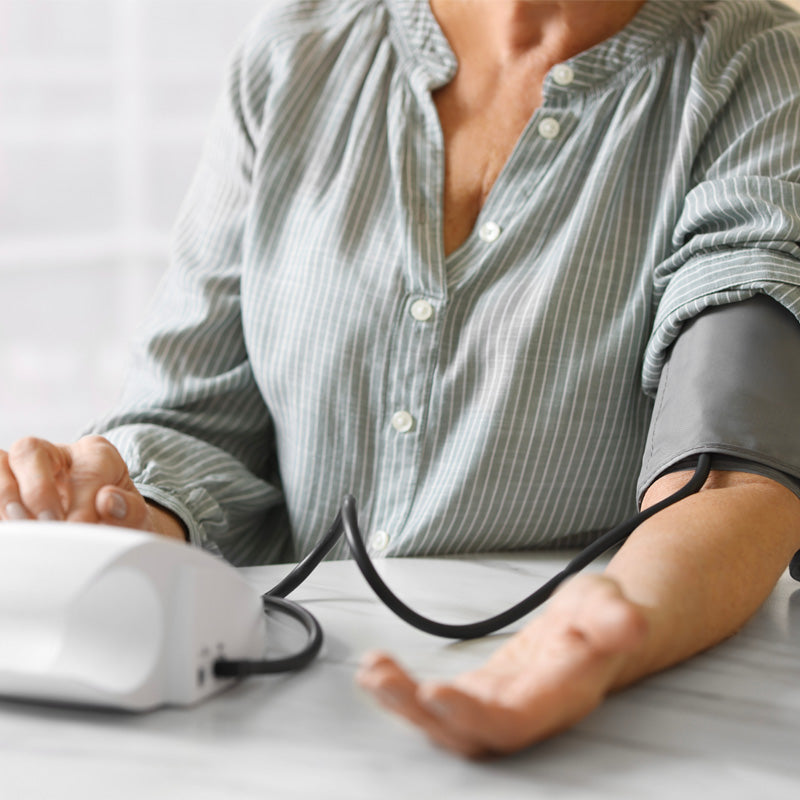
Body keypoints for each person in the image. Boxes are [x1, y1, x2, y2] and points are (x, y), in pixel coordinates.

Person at [2, 0, 800, 758]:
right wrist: (127, 513)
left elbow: (734, 464)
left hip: (606, 717)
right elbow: (193, 421)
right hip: (270, 715)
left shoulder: (759, 68)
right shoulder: (295, 53)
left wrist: (612, 627)